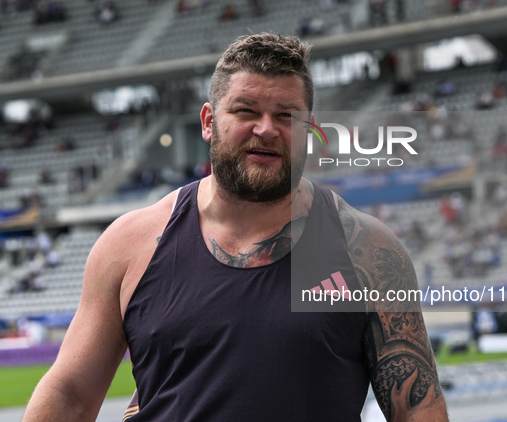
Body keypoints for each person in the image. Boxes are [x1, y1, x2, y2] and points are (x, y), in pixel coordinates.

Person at [22, 33, 448, 422]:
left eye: (287, 115)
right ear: (208, 121)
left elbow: (418, 409)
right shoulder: (131, 243)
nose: (266, 128)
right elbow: (72, 393)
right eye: (246, 110)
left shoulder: (368, 250)